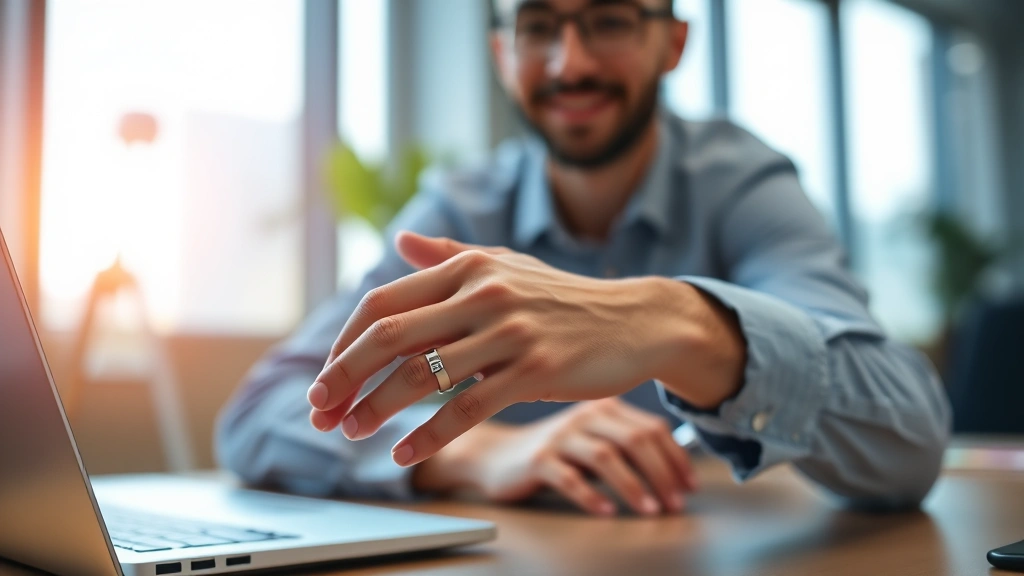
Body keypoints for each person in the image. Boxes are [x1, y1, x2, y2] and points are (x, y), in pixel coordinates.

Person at [216, 0, 950, 517]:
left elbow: (908, 439)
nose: (572, 63)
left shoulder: (742, 184)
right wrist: (476, 454)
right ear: (504, 55)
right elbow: (260, 412)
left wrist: (680, 322)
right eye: (538, 25)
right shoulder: (459, 212)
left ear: (674, 42)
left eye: (609, 19)